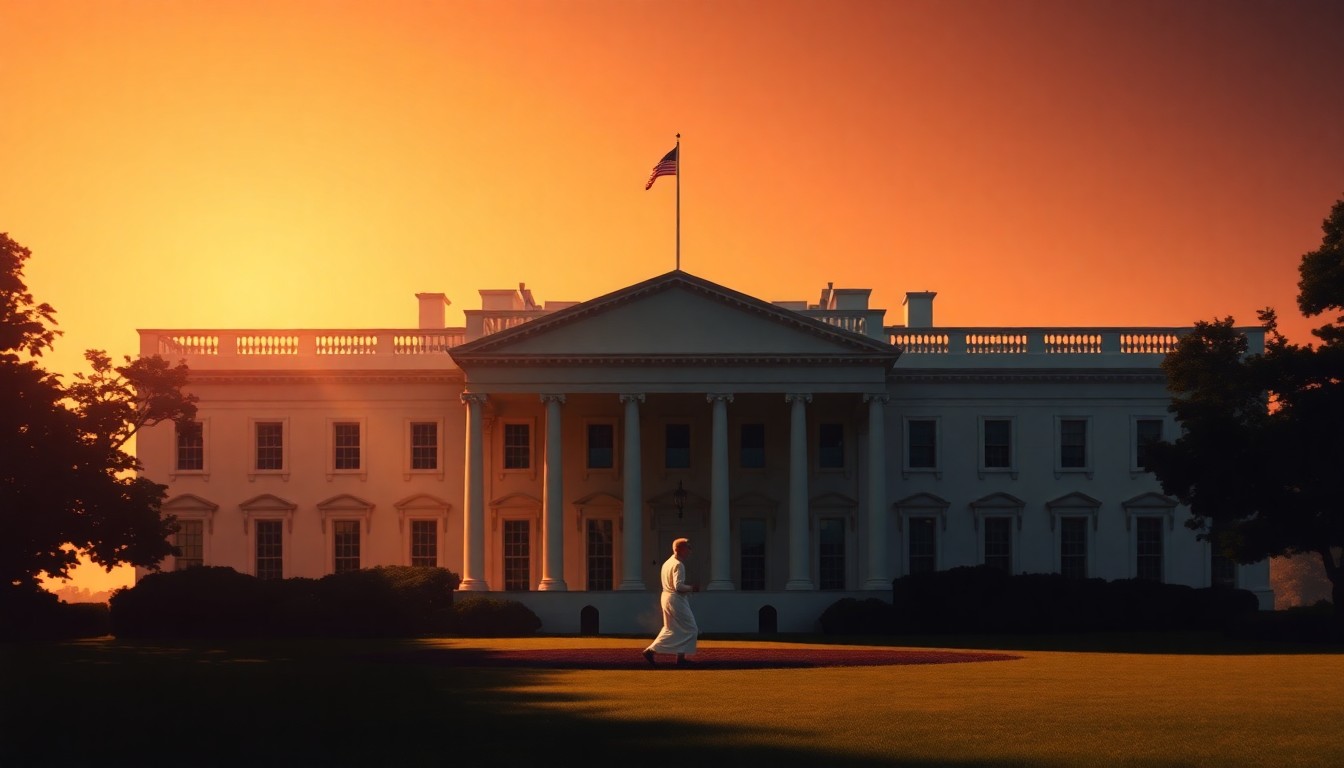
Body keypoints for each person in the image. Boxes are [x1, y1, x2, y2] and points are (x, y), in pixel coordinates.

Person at [643, 537, 699, 667]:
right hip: (675, 599)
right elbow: (678, 586)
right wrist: (692, 588)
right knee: (691, 628)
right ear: (681, 549)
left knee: (670, 628)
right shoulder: (678, 565)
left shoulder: (667, 563)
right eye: (688, 547)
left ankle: (653, 651)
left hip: (666, 597)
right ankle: (675, 657)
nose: (690, 550)